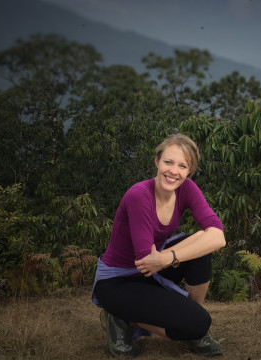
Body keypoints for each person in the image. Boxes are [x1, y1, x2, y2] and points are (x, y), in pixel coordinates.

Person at [92, 134, 226, 357]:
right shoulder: (140, 196)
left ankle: (191, 329)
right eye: (168, 162)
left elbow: (217, 236)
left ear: (189, 171)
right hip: (119, 281)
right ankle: (121, 318)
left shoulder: (187, 188)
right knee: (200, 321)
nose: (174, 171)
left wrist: (168, 257)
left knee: (203, 246)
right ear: (157, 161)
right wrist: (169, 256)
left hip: (154, 267)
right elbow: (146, 260)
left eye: (182, 166)